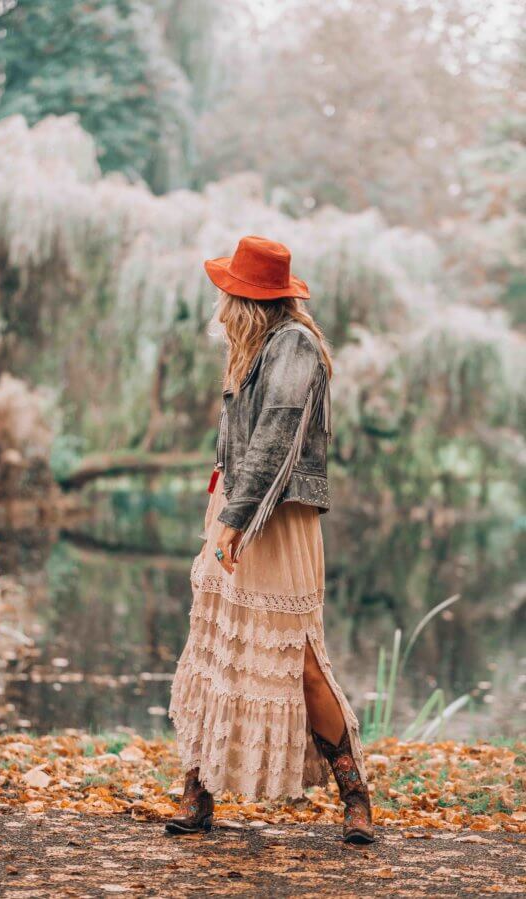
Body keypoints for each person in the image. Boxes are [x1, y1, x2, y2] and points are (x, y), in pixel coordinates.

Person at [167, 236, 374, 844]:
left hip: (274, 520)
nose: (220, 304)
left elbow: (276, 437)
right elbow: (238, 446)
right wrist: (224, 512)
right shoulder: (252, 347)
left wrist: (235, 518)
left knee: (301, 659)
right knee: (214, 649)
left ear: (246, 297)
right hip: (233, 507)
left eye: (226, 292)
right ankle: (197, 793)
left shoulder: (295, 346)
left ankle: (356, 795)